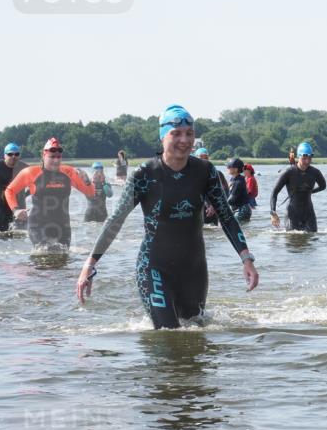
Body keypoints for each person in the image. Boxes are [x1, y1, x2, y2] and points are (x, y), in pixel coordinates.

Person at [75, 104, 258, 329]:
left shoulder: (205, 172)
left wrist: (246, 258)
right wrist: (89, 264)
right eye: (176, 134)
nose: (184, 140)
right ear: (163, 137)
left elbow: (227, 216)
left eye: (189, 134)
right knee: (168, 333)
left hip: (194, 268)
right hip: (154, 267)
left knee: (196, 333)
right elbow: (115, 221)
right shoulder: (145, 175)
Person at [4, 137, 95, 249]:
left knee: (63, 261)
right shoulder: (31, 172)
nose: (56, 160)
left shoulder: (69, 172)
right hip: (38, 226)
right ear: (44, 155)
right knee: (44, 256)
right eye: (52, 157)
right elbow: (10, 190)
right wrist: (15, 210)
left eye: (58, 157)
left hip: (63, 226)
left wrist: (86, 181)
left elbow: (90, 193)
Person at [270, 141, 327, 232]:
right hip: (292, 215)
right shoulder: (289, 172)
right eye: (304, 158)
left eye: (309, 158)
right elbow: (274, 192)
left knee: (312, 241)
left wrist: (309, 191)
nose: (307, 161)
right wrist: (273, 213)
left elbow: (323, 186)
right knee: (293, 242)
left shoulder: (315, 172)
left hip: (309, 213)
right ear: (299, 157)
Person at [0, 143, 28, 232]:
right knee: (0, 235)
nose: (13, 156)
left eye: (16, 154)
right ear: (4, 155)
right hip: (1, 205)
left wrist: (28, 195)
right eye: (10, 154)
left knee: (21, 235)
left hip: (19, 205)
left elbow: (39, 183)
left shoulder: (24, 168)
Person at [194, 147, 229, 225]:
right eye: (201, 158)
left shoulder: (217, 173)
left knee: (213, 232)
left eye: (206, 157)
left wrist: (215, 206)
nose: (204, 160)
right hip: (197, 211)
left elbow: (225, 191)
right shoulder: (192, 174)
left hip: (213, 210)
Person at [225, 158, 252, 222]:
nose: (227, 168)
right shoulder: (233, 179)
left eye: (229, 166)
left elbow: (231, 199)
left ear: (236, 169)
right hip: (237, 209)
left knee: (232, 225)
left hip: (242, 210)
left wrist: (219, 206)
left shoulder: (239, 182)